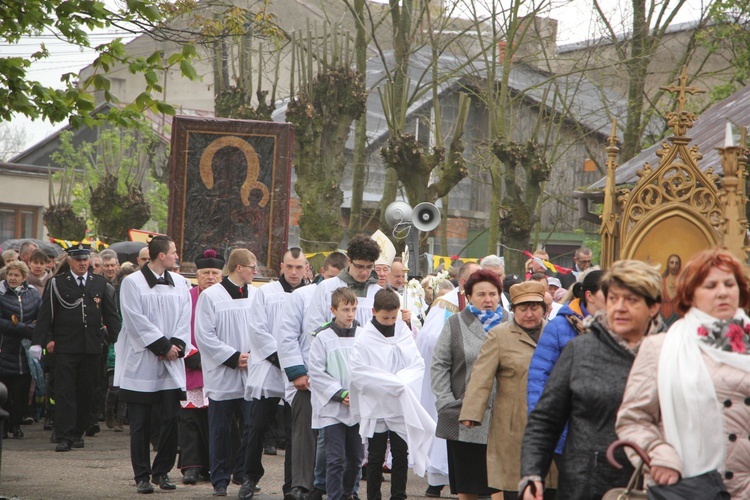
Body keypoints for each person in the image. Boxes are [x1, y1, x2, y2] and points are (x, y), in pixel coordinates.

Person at [519, 260, 664, 499]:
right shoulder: (581, 351)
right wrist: (532, 474)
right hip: (586, 483)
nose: (619, 307)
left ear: (653, 306)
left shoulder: (671, 353)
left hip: (654, 482)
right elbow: (545, 420)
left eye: (631, 300)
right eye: (613, 298)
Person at [617, 249, 749, 498]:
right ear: (691, 295)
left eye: (729, 284)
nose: (722, 292)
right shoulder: (661, 348)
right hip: (687, 488)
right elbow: (633, 419)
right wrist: (658, 454)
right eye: (710, 285)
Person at [459, 281, 552, 499]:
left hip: (550, 422)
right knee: (514, 484)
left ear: (544, 309)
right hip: (511, 422)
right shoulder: (499, 336)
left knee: (549, 483)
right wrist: (472, 412)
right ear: (513, 310)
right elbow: (481, 376)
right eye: (523, 308)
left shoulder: (555, 333)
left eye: (534, 307)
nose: (529, 314)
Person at [116, 235, 191, 494]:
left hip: (171, 363)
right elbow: (134, 319)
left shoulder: (181, 282)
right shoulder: (132, 283)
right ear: (162, 255)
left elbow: (185, 316)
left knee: (170, 420)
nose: (176, 256)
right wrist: (161, 346)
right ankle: (142, 476)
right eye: (173, 252)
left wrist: (177, 346)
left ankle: (162, 472)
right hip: (143, 363)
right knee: (141, 423)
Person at [30, 243, 120, 451]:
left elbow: (111, 315)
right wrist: (39, 341)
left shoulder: (98, 283)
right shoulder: (58, 283)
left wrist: (119, 341)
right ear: (70, 261)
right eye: (78, 260)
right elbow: (46, 315)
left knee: (85, 392)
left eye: (85, 259)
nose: (82, 263)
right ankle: (64, 435)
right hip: (66, 347)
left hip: (90, 348)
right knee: (64, 392)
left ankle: (77, 432)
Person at [350, 288, 435, 500]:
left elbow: (417, 363)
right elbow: (359, 372)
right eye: (385, 317)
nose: (389, 321)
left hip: (399, 403)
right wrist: (392, 383)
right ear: (373, 312)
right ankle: (373, 497)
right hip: (377, 404)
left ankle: (399, 495)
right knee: (376, 456)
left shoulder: (402, 331)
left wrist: (402, 382)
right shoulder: (364, 339)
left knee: (400, 454)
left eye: (393, 317)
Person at [431, 269, 509, 500]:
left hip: (502, 417)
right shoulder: (455, 324)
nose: (488, 299)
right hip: (464, 416)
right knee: (468, 484)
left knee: (501, 484)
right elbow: (439, 365)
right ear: (469, 296)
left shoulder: (511, 323)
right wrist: (446, 402)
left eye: (493, 294)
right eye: (481, 294)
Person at [240, 248, 310, 500]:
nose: (294, 272)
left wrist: (296, 365)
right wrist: (285, 360)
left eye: (299, 267)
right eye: (289, 267)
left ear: (306, 268)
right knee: (257, 427)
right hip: (270, 369)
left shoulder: (309, 295)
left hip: (298, 373)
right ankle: (249, 477)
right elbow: (257, 330)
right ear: (282, 266)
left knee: (295, 432)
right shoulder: (266, 293)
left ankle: (292, 485)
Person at [278, 251, 347, 500]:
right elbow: (286, 335)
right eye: (329, 277)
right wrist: (297, 372)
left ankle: (334, 485)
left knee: (337, 435)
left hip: (340, 379)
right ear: (321, 273)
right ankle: (301, 485)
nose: (333, 285)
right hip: (308, 377)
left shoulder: (350, 297)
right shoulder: (302, 296)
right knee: (305, 433)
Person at [195, 248, 259, 497]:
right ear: (239, 268)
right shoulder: (211, 296)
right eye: (252, 266)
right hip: (223, 373)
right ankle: (219, 479)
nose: (256, 271)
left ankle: (244, 474)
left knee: (252, 427)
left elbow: (263, 329)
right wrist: (233, 357)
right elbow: (204, 335)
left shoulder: (256, 294)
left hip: (252, 371)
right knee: (220, 430)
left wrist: (254, 356)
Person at [526, 270, 605, 459]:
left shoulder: (618, 328)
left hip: (605, 429)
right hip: (568, 427)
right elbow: (539, 376)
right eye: (609, 294)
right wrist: (541, 427)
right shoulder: (560, 327)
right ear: (589, 296)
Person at [415, 261, 478, 497]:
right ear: (463, 282)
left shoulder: (491, 300)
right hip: (454, 376)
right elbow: (429, 339)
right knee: (448, 424)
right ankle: (438, 478)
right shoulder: (447, 303)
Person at [308, 287, 363, 500]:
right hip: (332, 408)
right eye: (345, 309)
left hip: (357, 406)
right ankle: (333, 496)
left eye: (353, 309)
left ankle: (347, 493)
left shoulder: (363, 334)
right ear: (333, 310)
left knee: (356, 458)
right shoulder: (322, 337)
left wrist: (357, 393)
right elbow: (316, 371)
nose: (350, 314)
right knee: (335, 459)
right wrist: (340, 394)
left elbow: (369, 367)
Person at [177, 249, 224, 486]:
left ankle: (213, 466)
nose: (211, 277)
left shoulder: (226, 298)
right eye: (206, 272)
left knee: (215, 419)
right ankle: (191, 466)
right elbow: (178, 326)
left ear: (222, 275)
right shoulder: (186, 297)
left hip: (221, 367)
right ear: (197, 275)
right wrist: (191, 353)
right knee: (190, 419)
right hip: (191, 366)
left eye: (215, 272)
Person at [0, 260, 41, 438]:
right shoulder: (1, 294)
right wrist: (23, 329)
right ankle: (4, 426)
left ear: (24, 277)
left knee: (22, 392)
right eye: (10, 274)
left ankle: (16, 424)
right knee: (5, 392)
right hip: (5, 349)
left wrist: (31, 330)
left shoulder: (33, 294)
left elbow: (40, 318)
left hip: (25, 353)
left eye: (16, 275)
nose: (13, 278)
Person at [660, 253, 681, 325]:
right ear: (668, 264)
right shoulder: (661, 281)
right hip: (662, 319)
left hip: (678, 319)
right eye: (672, 263)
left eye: (677, 263)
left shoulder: (682, 282)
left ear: (679, 266)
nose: (674, 266)